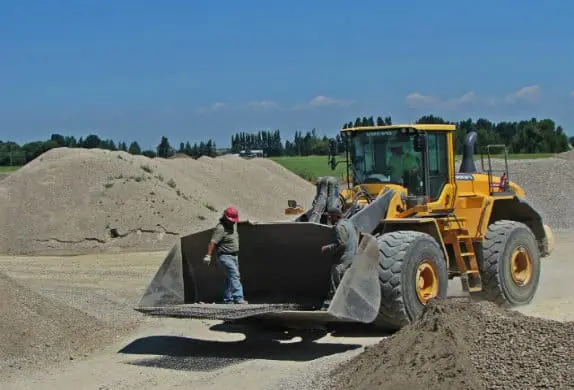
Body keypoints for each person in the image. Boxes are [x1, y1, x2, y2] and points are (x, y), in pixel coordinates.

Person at [203, 206, 248, 304]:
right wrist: (208, 255)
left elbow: (237, 223)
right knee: (235, 276)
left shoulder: (233, 224)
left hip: (234, 256)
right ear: (225, 217)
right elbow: (213, 242)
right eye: (231, 220)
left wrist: (248, 222)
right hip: (225, 256)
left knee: (229, 278)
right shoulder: (220, 228)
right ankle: (238, 298)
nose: (232, 222)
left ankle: (228, 299)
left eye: (234, 221)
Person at [320, 207, 360, 309]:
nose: (329, 218)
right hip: (353, 254)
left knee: (335, 271)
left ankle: (333, 302)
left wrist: (327, 248)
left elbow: (342, 243)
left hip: (346, 256)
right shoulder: (348, 222)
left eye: (330, 216)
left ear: (335, 216)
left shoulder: (339, 227)